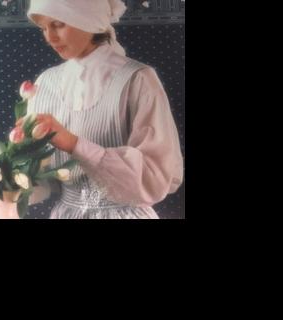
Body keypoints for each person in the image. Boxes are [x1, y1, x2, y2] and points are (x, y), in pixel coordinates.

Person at [25, 0, 184, 219]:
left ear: (89, 19)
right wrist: (16, 159)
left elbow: (155, 177)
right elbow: (39, 183)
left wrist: (74, 144)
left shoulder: (138, 79)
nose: (50, 38)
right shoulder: (45, 83)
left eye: (58, 24)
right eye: (43, 28)